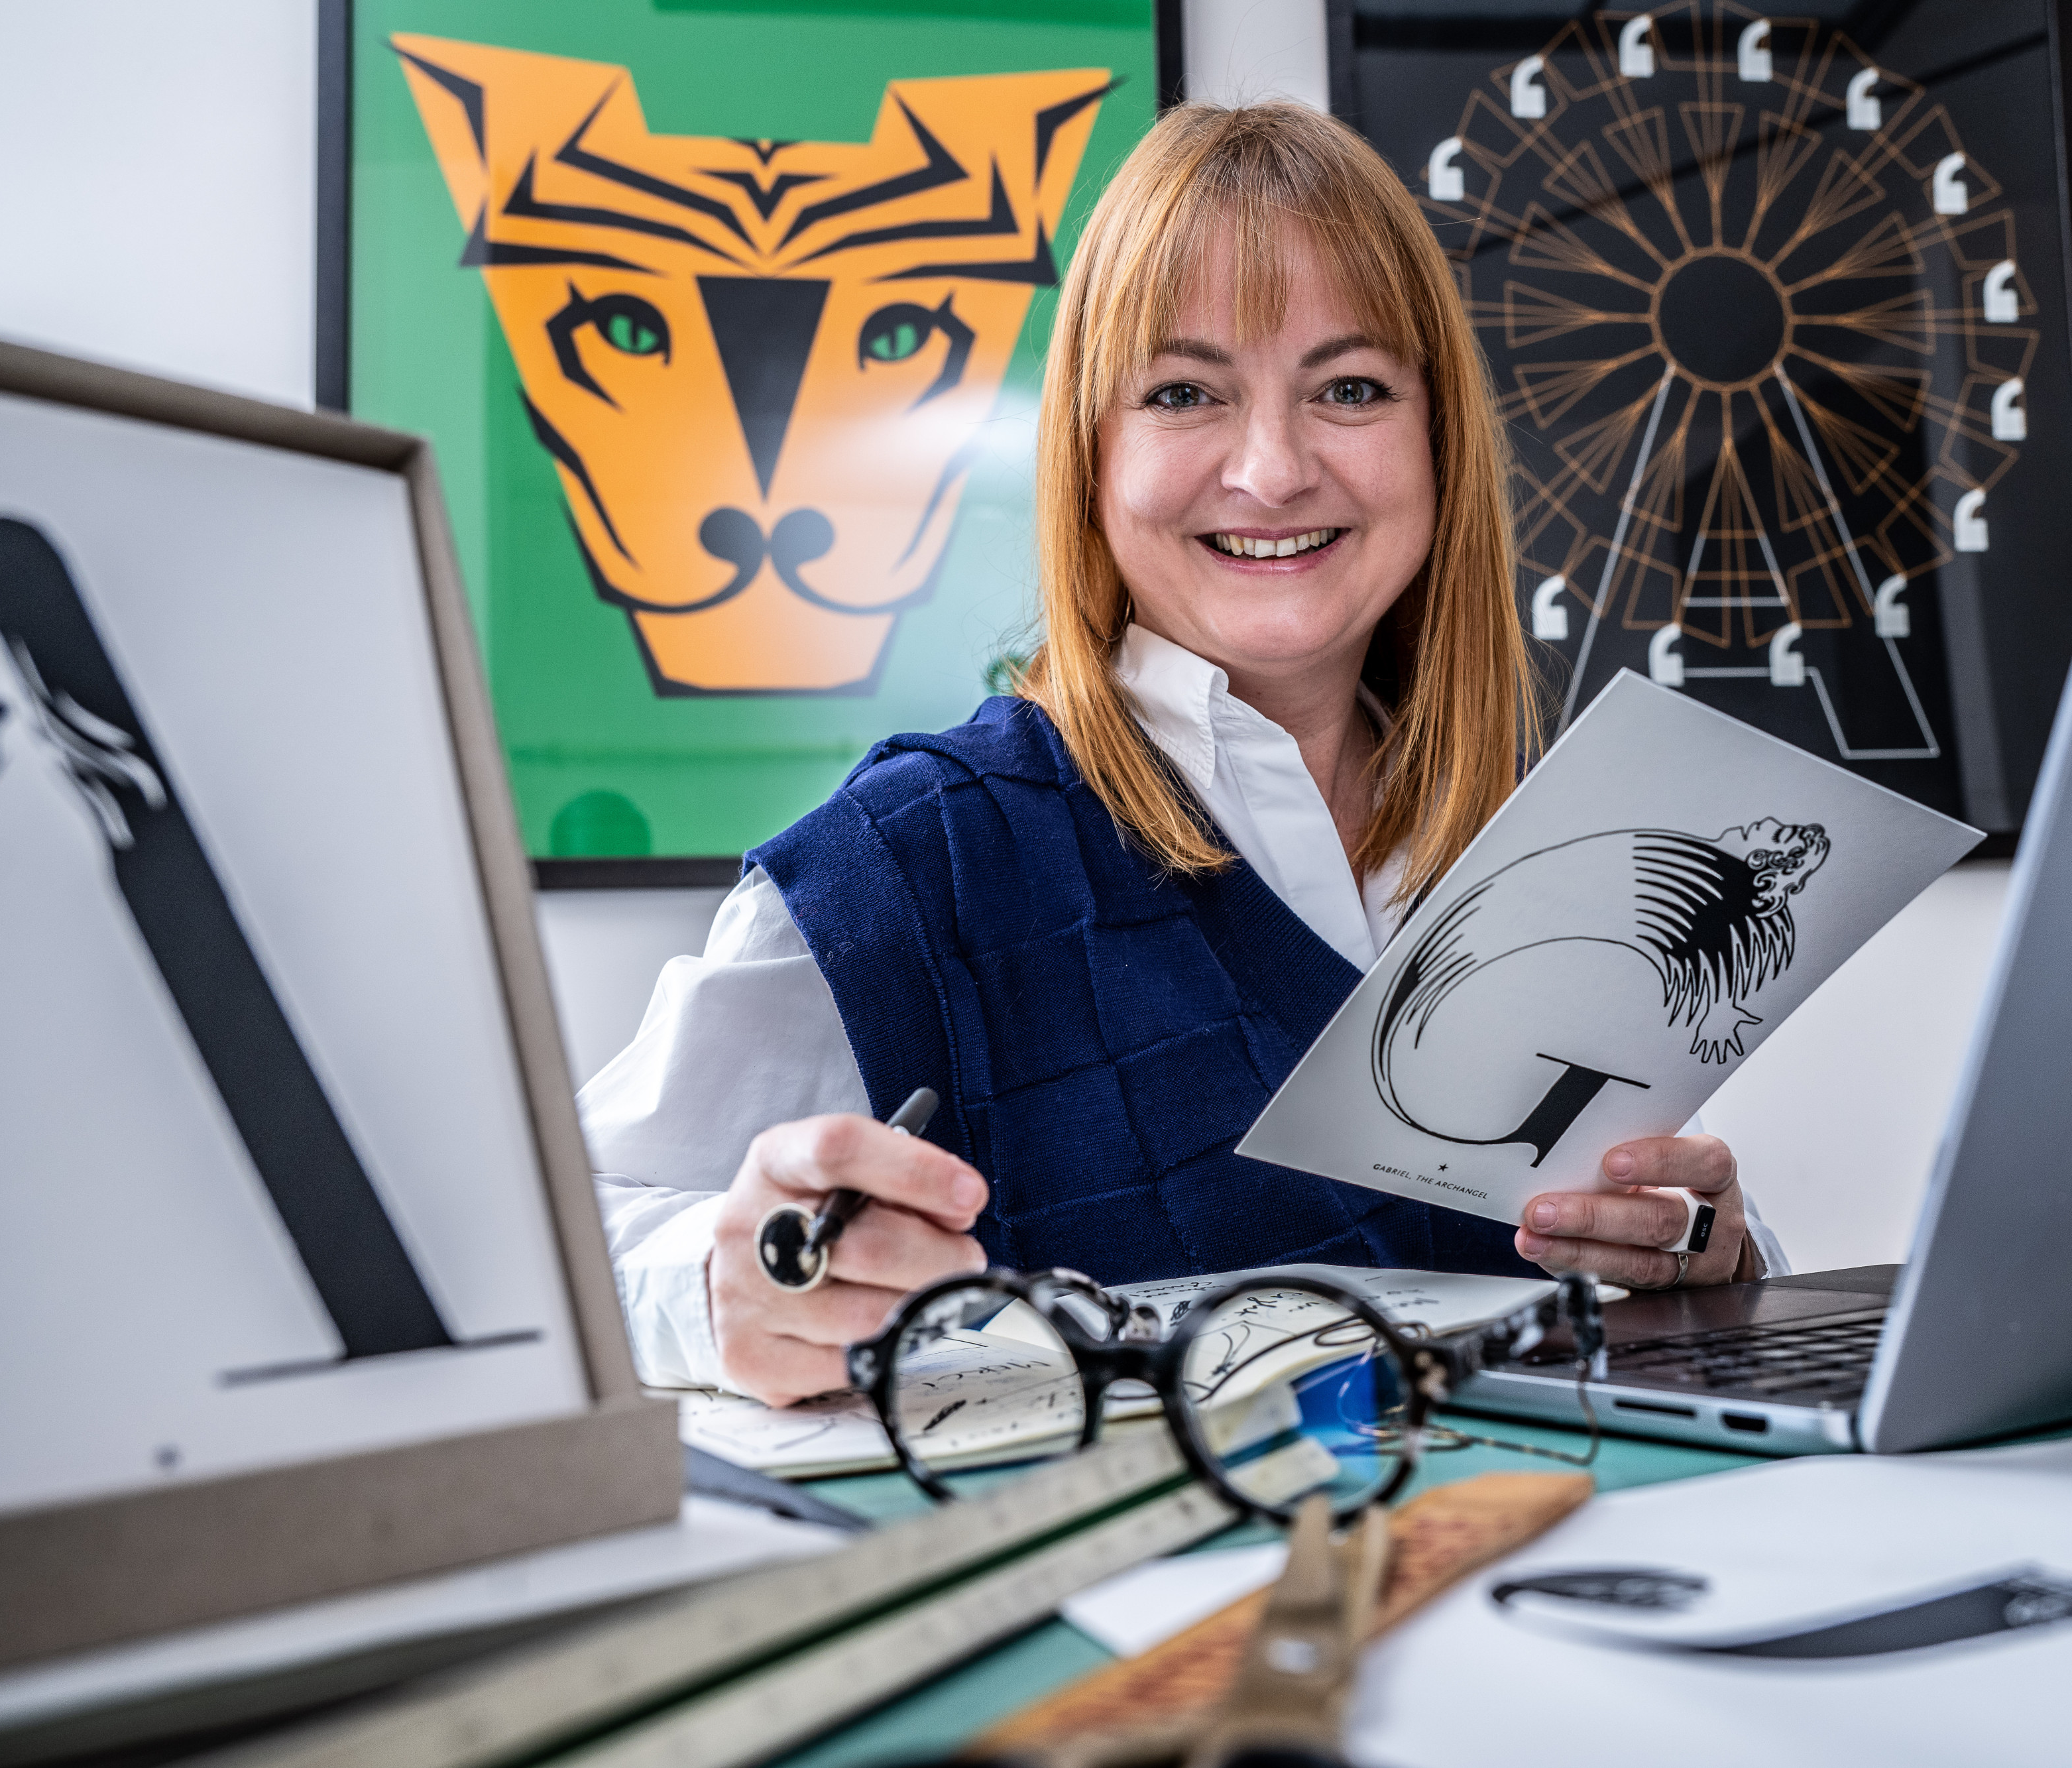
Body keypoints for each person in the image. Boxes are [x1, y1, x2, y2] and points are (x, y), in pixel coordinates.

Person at [582, 102, 1786, 1407]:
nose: (1271, 470)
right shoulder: (909, 860)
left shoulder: (1541, 848)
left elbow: (1639, 1287)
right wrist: (725, 1286)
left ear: (1438, 443)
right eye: (1182, 392)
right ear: (1091, 456)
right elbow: (572, 1236)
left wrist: (1707, 1252)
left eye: (1348, 388)